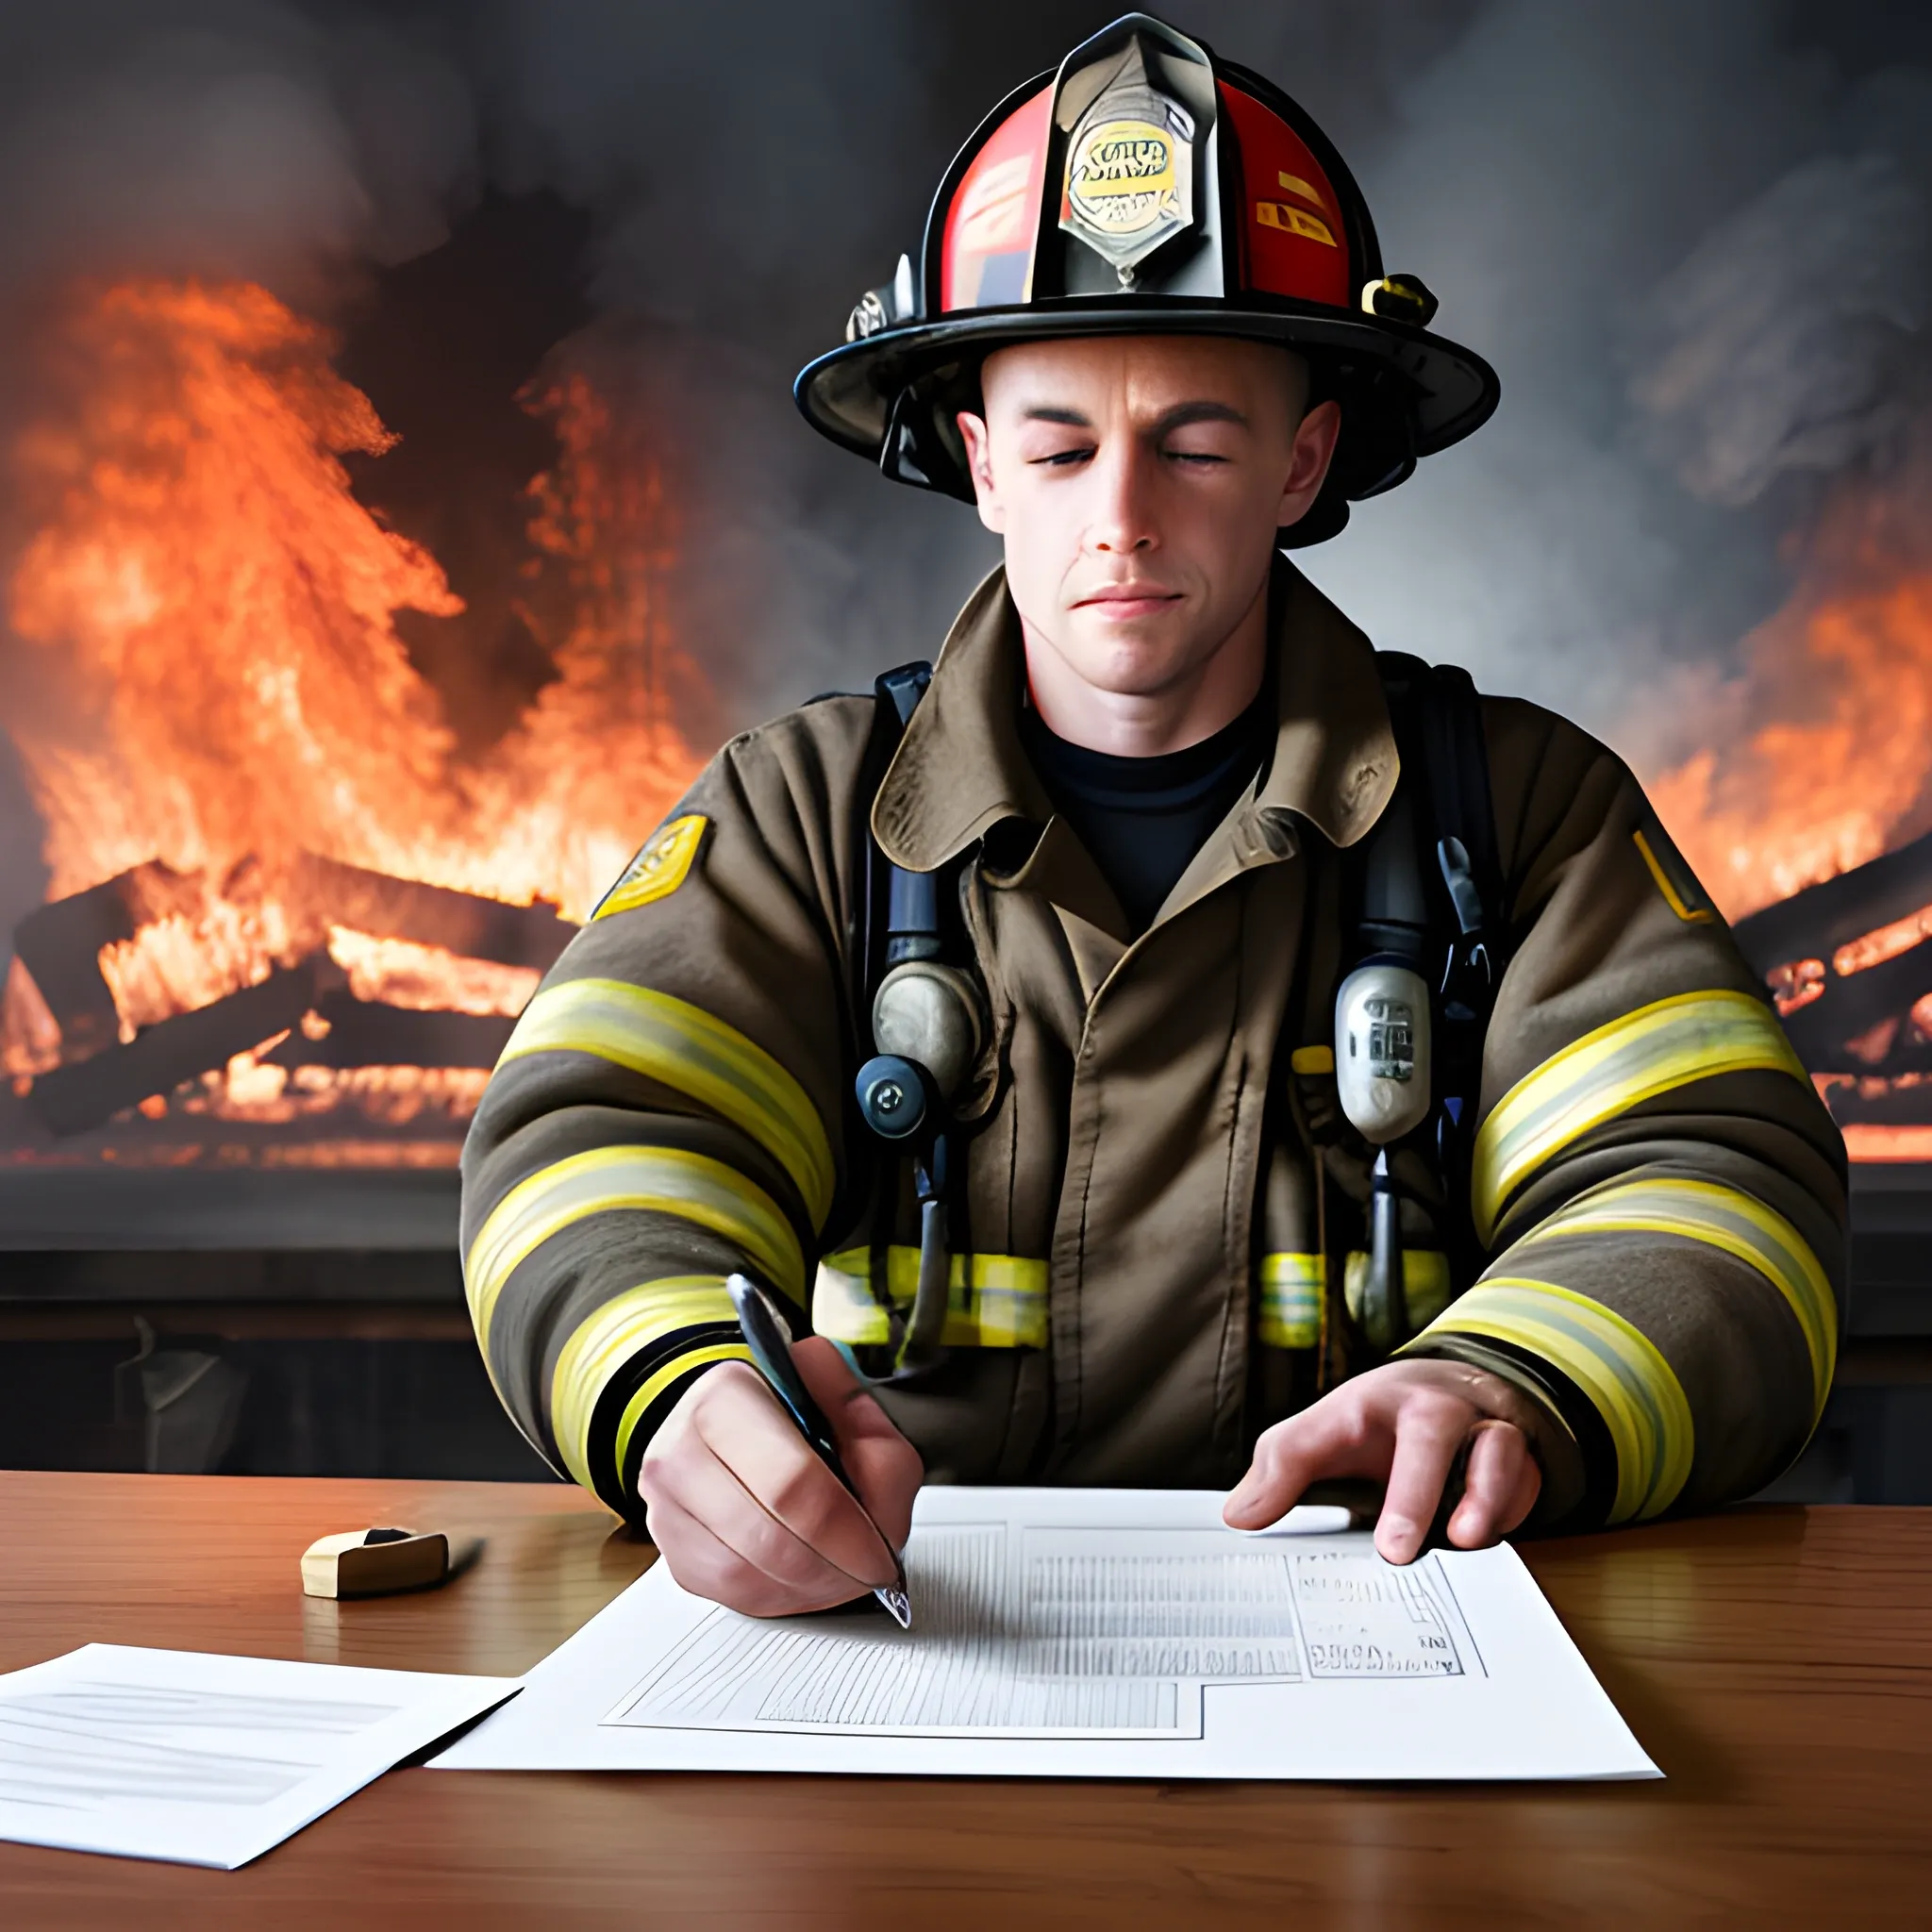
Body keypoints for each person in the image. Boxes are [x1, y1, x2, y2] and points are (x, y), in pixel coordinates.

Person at [459, 14, 1844, 1616]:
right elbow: (599, 1143)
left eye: (1194, 444)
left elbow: (1718, 1183)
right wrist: (677, 1389)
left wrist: (1510, 1385)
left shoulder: (1519, 816)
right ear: (981, 467)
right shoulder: (808, 815)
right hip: (903, 1660)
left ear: (1302, 461)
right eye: (1060, 446)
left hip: (1388, 1672)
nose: (1120, 518)